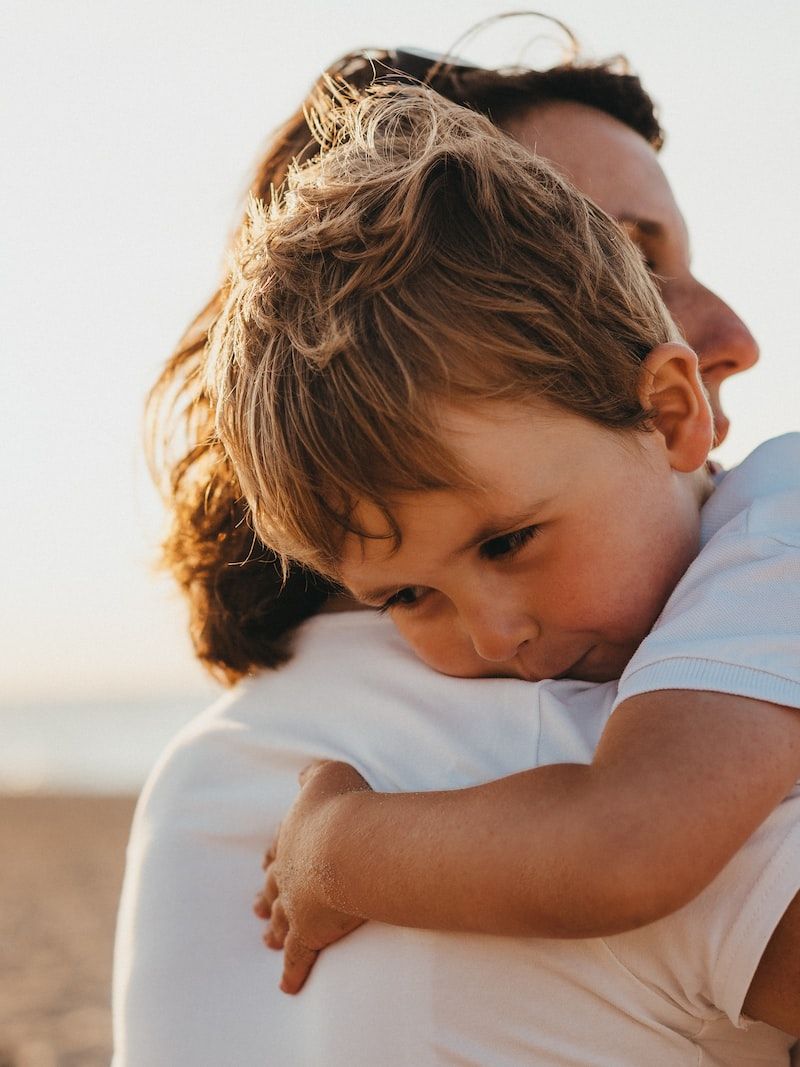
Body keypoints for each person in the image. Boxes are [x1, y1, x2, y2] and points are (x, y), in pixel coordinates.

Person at [113, 42, 798, 1067]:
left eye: (509, 540)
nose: (733, 335)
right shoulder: (555, 741)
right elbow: (623, 840)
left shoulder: (209, 771)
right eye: (619, 252)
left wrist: (336, 846)